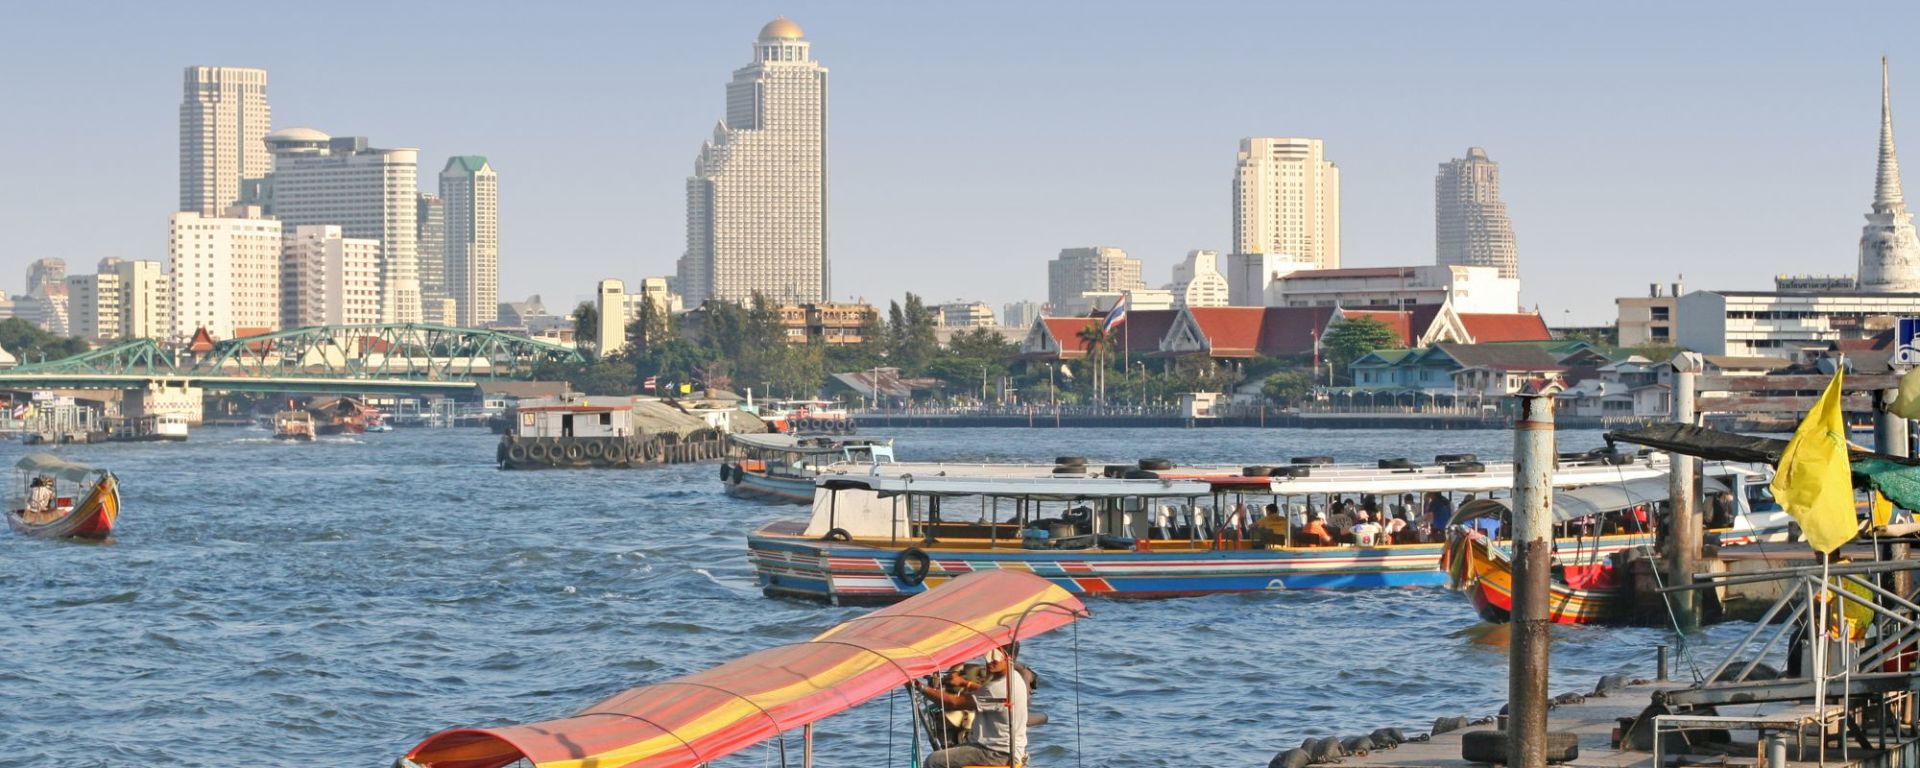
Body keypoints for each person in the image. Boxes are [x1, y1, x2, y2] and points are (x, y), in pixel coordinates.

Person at [919, 644, 1029, 768]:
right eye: (988, 654)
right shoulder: (1014, 678)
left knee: (933, 761)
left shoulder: (998, 688)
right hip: (1012, 750)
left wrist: (920, 687)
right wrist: (964, 683)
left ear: (1010, 657)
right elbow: (990, 695)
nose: (990, 661)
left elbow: (952, 703)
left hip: (996, 753)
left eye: (996, 656)